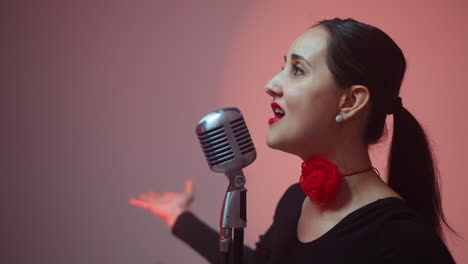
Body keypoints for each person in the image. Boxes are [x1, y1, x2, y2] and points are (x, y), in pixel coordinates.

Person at [129, 18, 457, 263]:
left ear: (350, 101)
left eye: (297, 70)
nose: (271, 85)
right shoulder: (295, 201)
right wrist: (179, 218)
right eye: (282, 66)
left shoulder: (404, 243)